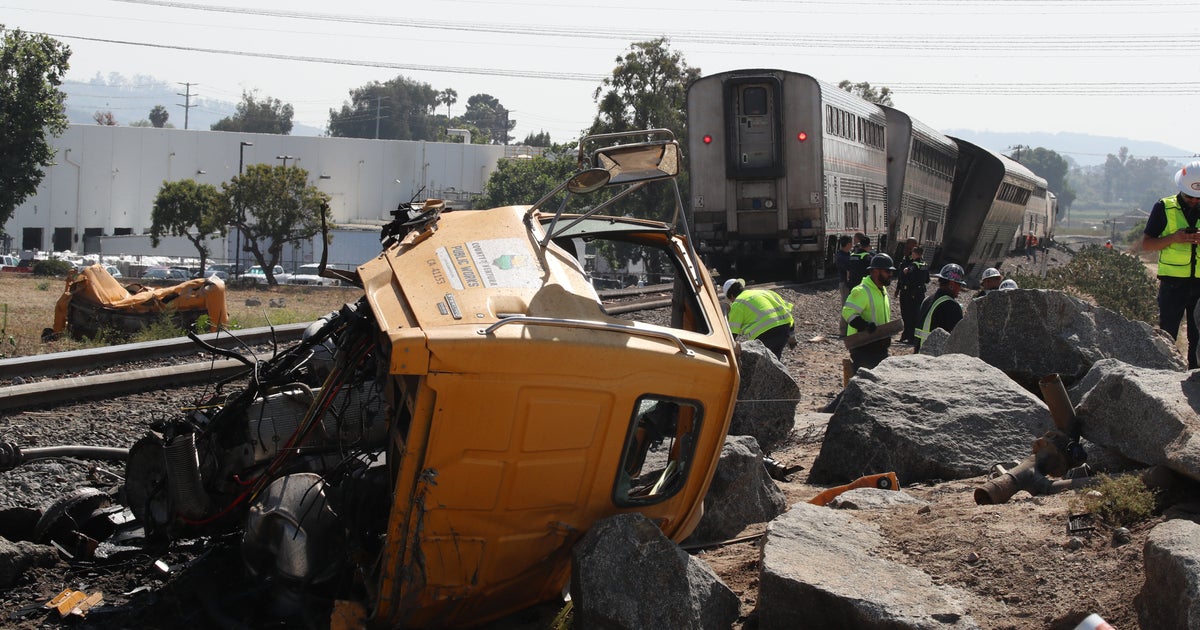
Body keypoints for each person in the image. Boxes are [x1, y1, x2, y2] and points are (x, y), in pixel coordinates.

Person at [1141, 160, 1200, 369]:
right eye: (1189, 196)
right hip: (1172, 285)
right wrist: (1174, 238)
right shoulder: (1163, 207)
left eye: (1198, 198)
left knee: (1198, 339)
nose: (1193, 201)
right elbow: (1147, 244)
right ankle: (1164, 375)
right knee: (1167, 336)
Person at [842, 253, 895, 371]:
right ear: (875, 271)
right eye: (887, 271)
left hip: (879, 347)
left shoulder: (882, 290)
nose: (890, 274)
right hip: (864, 348)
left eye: (891, 271)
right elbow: (847, 312)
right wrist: (865, 326)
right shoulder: (862, 290)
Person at [722, 278, 795, 359]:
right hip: (784, 329)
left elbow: (731, 334)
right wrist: (792, 335)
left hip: (765, 335)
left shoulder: (738, 303)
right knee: (775, 358)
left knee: (768, 363)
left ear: (731, 296)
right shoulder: (765, 292)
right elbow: (787, 311)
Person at [914, 263, 967, 353]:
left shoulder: (927, 299)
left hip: (919, 351)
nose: (960, 289)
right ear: (952, 284)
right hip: (934, 357)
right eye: (959, 285)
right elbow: (958, 338)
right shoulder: (951, 305)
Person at [895, 245, 929, 344]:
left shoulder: (914, 264)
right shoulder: (925, 264)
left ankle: (909, 336)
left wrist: (906, 270)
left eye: (913, 253)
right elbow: (927, 280)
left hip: (911, 293)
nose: (912, 255)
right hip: (920, 292)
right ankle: (911, 336)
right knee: (916, 314)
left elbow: (910, 269)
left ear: (916, 254)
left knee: (908, 314)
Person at [834, 235, 854, 336]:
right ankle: (843, 330)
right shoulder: (841, 256)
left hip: (848, 284)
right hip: (844, 284)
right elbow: (846, 270)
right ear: (848, 244)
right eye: (851, 243)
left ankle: (847, 329)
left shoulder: (847, 254)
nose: (852, 245)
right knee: (846, 306)